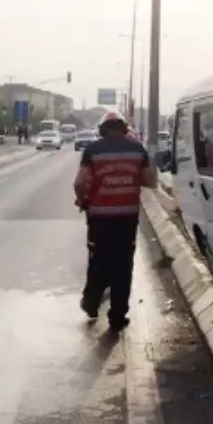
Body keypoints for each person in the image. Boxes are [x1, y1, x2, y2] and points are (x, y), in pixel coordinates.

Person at [75, 111, 157, 332]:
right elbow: (151, 181)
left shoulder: (93, 150)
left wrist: (83, 201)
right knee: (123, 266)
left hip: (99, 219)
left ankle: (91, 303)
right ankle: (118, 317)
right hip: (126, 219)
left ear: (102, 129)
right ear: (124, 128)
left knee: (98, 261)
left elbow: (80, 183)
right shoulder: (138, 150)